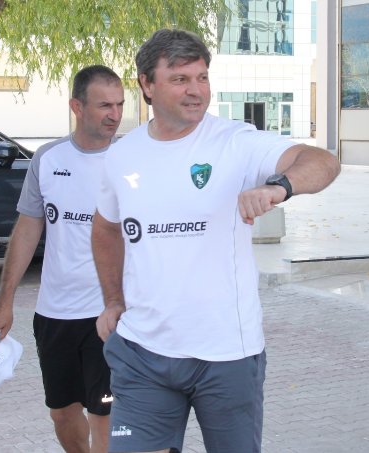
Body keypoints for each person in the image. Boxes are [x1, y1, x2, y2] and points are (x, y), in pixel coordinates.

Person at [91, 29, 340, 453]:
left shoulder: (236, 142)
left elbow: (322, 161)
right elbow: (106, 228)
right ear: (146, 84)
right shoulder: (122, 155)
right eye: (180, 79)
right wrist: (113, 301)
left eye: (202, 77)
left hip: (227, 355)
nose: (196, 90)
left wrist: (279, 186)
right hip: (142, 352)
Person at [0, 64, 124, 453]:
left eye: (119, 104)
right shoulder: (48, 159)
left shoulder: (131, 159)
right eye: (104, 105)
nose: (114, 114)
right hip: (55, 313)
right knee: (63, 414)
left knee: (105, 414)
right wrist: (4, 302)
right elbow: (27, 229)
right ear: (77, 107)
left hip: (110, 314)